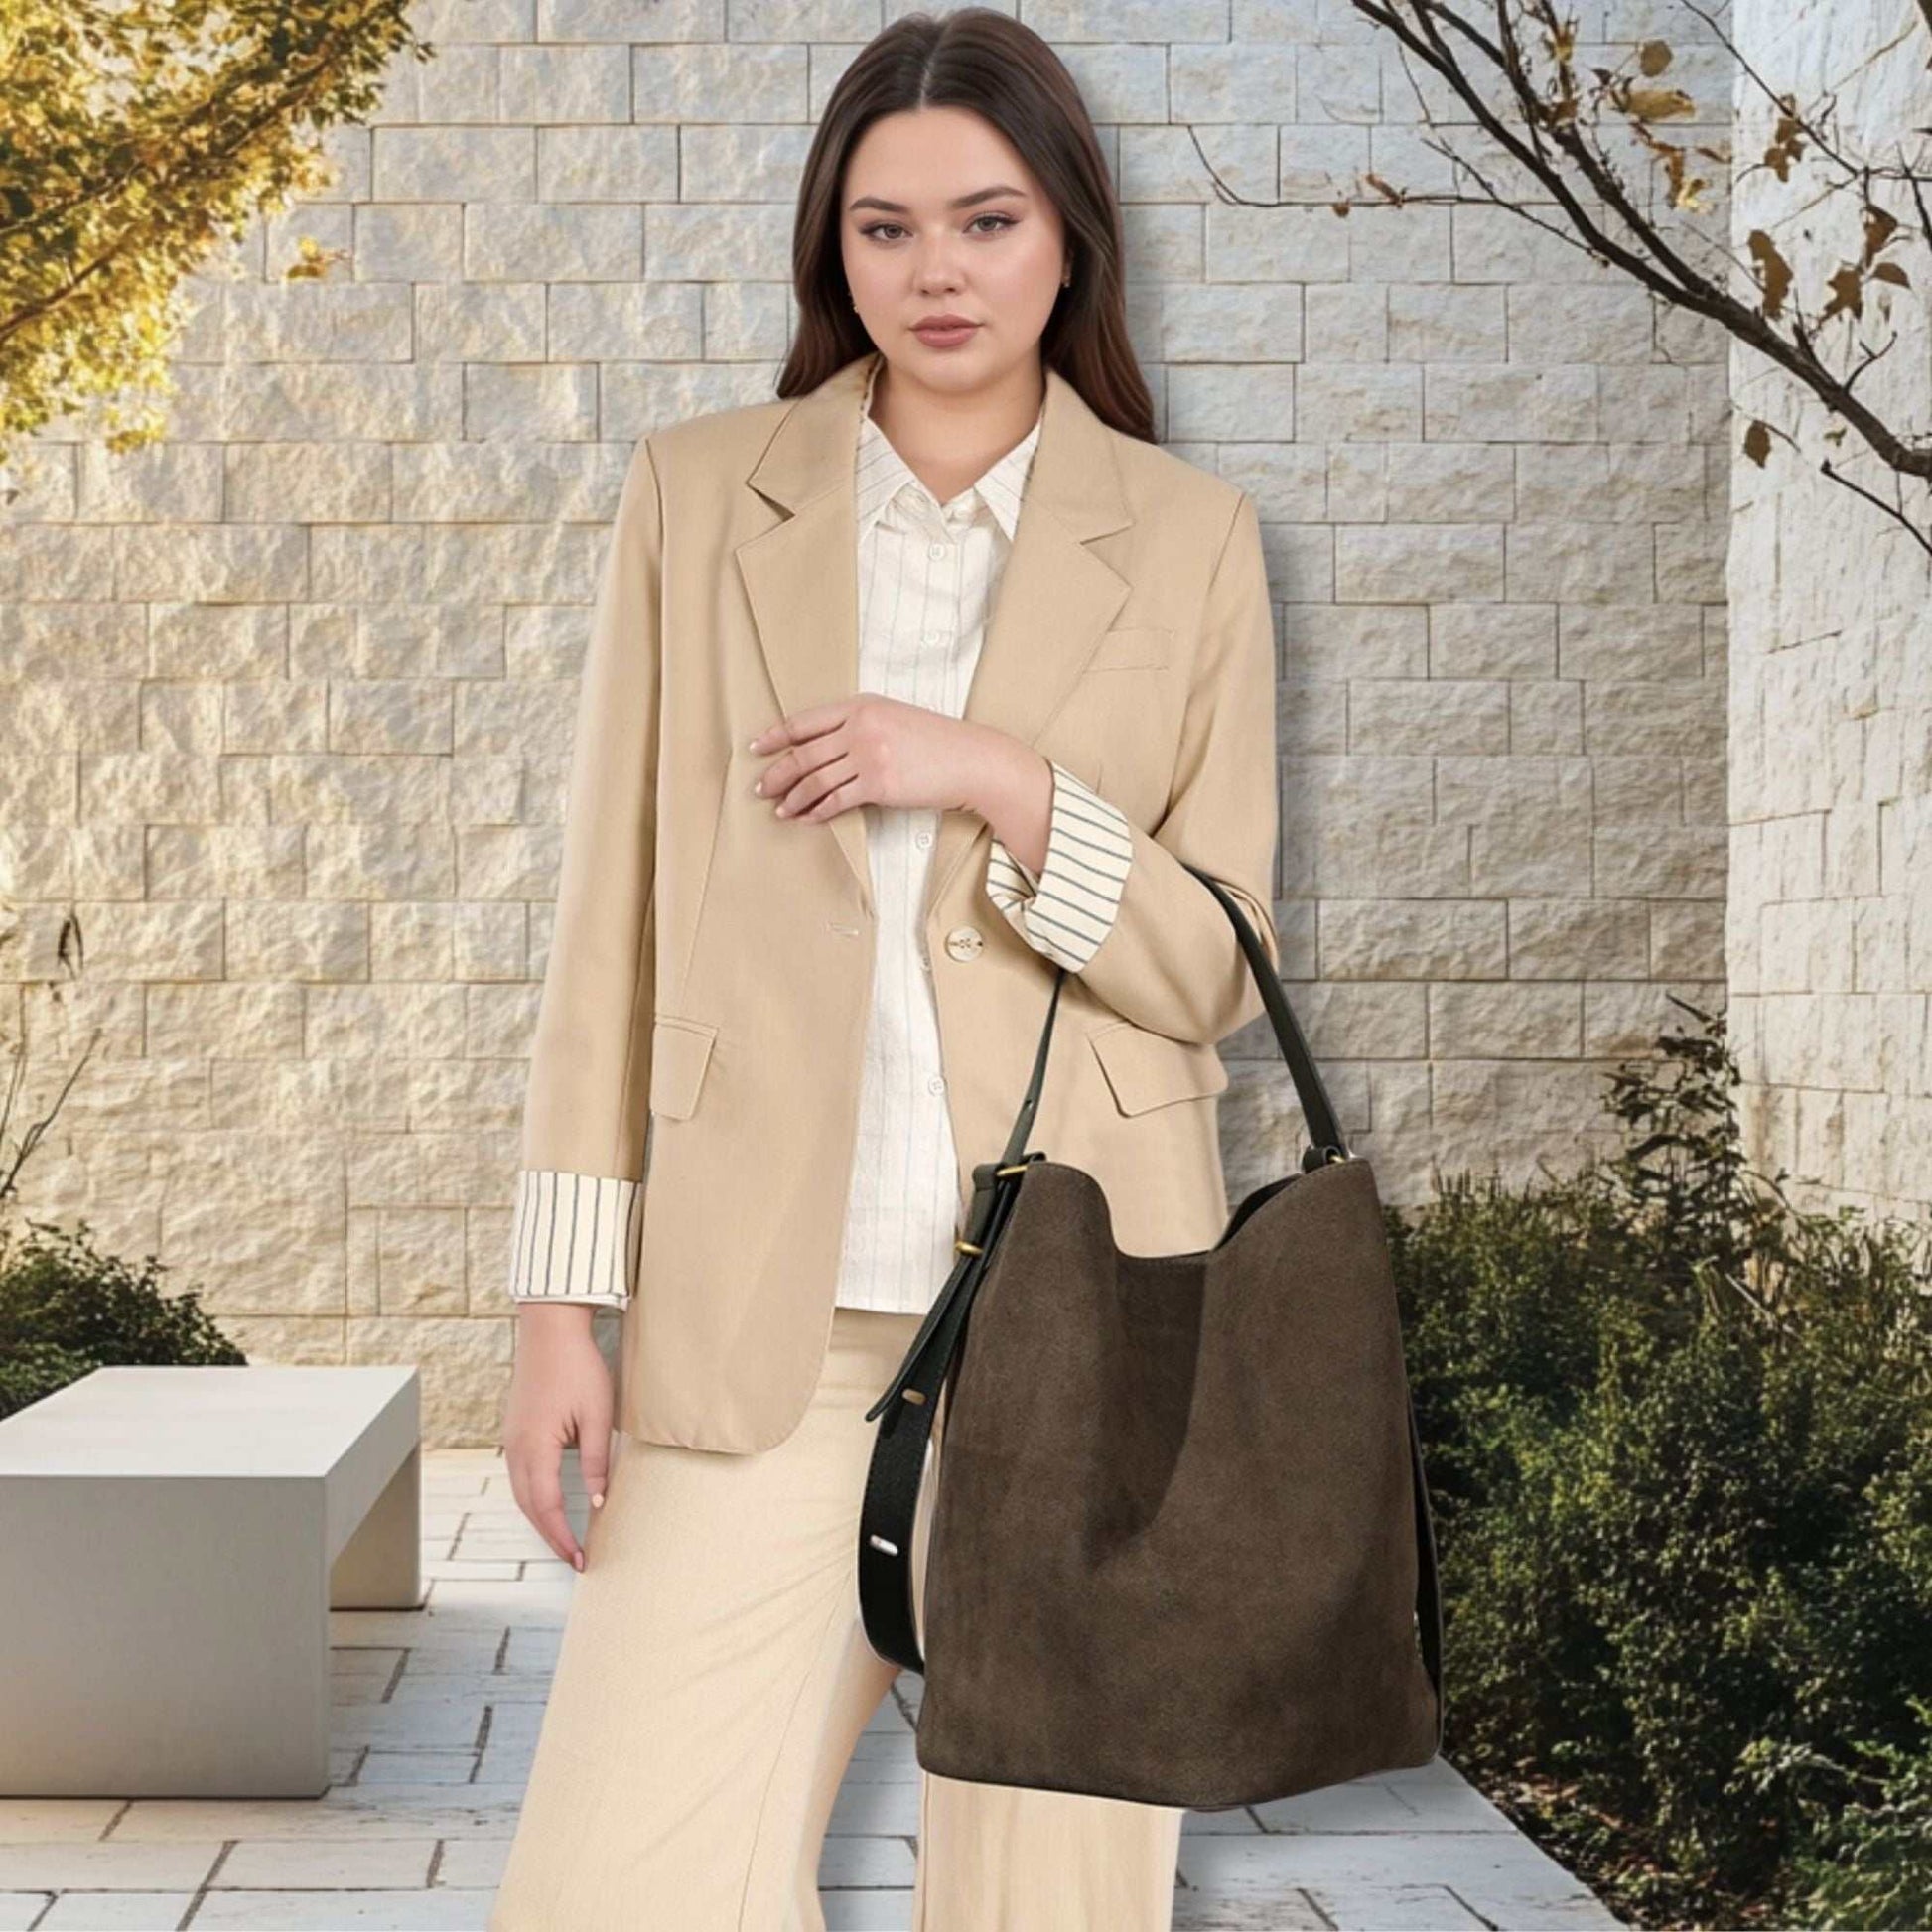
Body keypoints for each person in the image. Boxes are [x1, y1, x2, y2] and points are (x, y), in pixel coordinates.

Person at [487, 9, 1281, 1927]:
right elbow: (613, 925)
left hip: (1088, 1333)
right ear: (829, 248)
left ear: (1069, 236)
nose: (937, 271)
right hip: (768, 1326)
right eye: (886, 226)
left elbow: (1215, 968)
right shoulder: (700, 494)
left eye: (987, 221)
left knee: (1053, 1908)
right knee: (615, 1888)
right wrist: (554, 1313)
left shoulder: (1190, 542)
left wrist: (1002, 783)